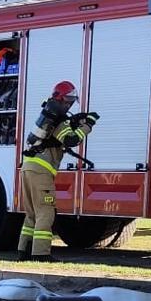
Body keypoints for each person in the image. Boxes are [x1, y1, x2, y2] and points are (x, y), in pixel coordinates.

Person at [18, 81, 97, 261]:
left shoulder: (49, 116)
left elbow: (56, 137)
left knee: (32, 214)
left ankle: (23, 251)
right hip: (41, 172)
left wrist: (75, 122)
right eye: (69, 100)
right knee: (46, 211)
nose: (70, 104)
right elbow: (71, 140)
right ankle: (41, 254)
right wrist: (88, 125)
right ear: (62, 99)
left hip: (28, 168)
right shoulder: (59, 120)